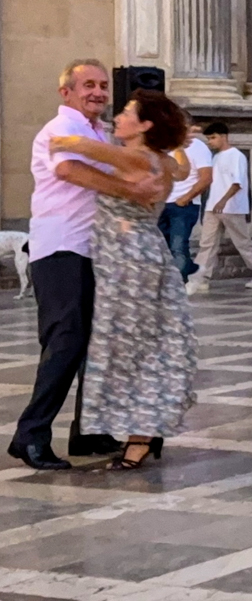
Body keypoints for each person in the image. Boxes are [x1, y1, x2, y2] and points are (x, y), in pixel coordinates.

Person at [10, 61, 162, 470]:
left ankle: (89, 431)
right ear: (67, 93)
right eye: (87, 85)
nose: (97, 92)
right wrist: (131, 188)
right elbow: (70, 170)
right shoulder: (58, 130)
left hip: (96, 251)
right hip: (61, 248)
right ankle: (31, 435)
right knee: (65, 342)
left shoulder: (99, 133)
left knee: (96, 346)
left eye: (102, 85)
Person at [50, 90, 198, 469]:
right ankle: (142, 433)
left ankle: (141, 438)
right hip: (137, 256)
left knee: (132, 345)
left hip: (132, 261)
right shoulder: (160, 159)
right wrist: (179, 142)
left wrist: (65, 138)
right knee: (140, 344)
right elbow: (180, 169)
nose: (117, 118)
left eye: (127, 113)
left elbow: (86, 150)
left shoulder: (141, 156)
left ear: (145, 125)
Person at [190, 123, 252, 294]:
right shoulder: (215, 157)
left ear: (224, 136)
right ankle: (201, 277)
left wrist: (223, 200)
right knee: (207, 243)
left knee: (242, 242)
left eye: (213, 137)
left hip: (232, 207)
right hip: (212, 206)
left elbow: (237, 183)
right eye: (208, 139)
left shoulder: (236, 156)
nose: (210, 142)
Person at [158, 125, 212, 280]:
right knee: (161, 247)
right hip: (162, 203)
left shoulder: (198, 147)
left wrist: (185, 198)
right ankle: (187, 271)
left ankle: (179, 284)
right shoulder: (165, 145)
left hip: (183, 205)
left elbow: (206, 177)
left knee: (178, 247)